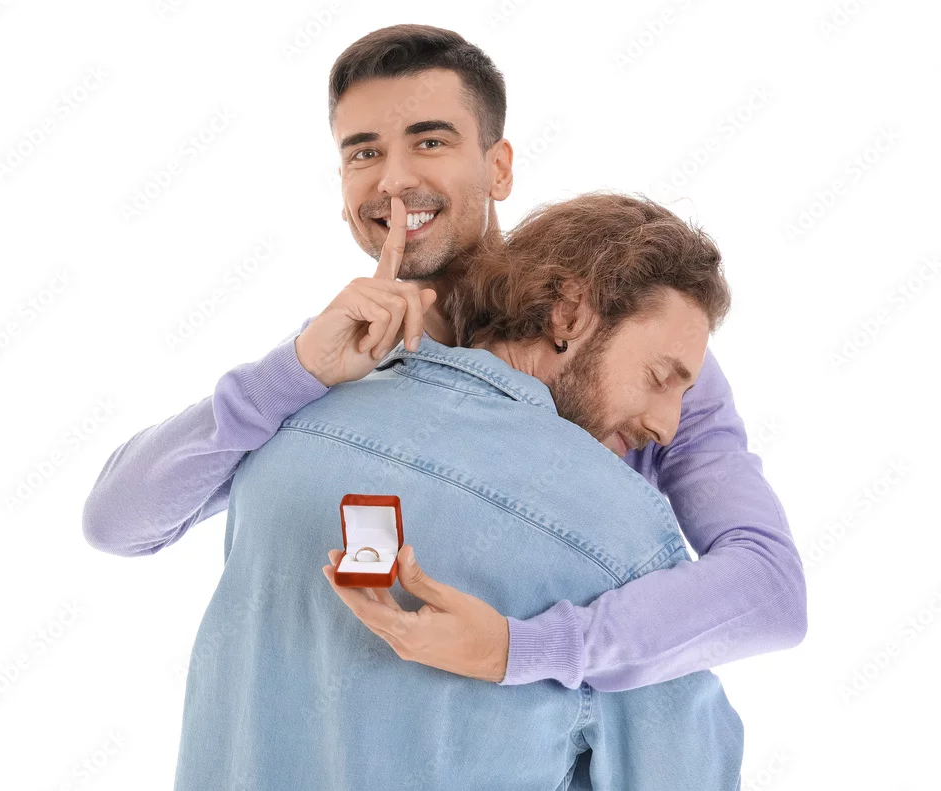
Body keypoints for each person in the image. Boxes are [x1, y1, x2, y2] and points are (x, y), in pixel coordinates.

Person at [82, 24, 806, 694]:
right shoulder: (335, 357)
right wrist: (295, 372)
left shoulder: (635, 345)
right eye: (363, 153)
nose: (392, 179)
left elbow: (769, 588)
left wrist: (533, 647)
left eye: (429, 141)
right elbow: (118, 521)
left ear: (499, 168)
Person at [172, 191, 745, 790]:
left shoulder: (287, 429)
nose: (668, 428)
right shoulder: (619, 537)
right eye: (660, 377)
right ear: (570, 314)